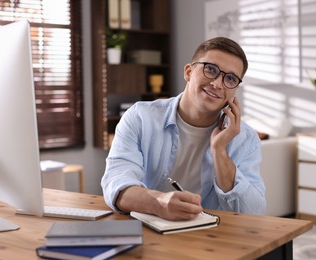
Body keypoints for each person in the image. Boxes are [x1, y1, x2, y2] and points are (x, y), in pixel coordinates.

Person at [101, 37, 266, 221]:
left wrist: (219, 151)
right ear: (188, 72)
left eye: (230, 78)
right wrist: (159, 203)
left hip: (211, 237)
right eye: (210, 69)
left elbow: (252, 212)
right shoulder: (140, 118)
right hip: (147, 228)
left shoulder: (246, 138)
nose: (217, 84)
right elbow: (116, 185)